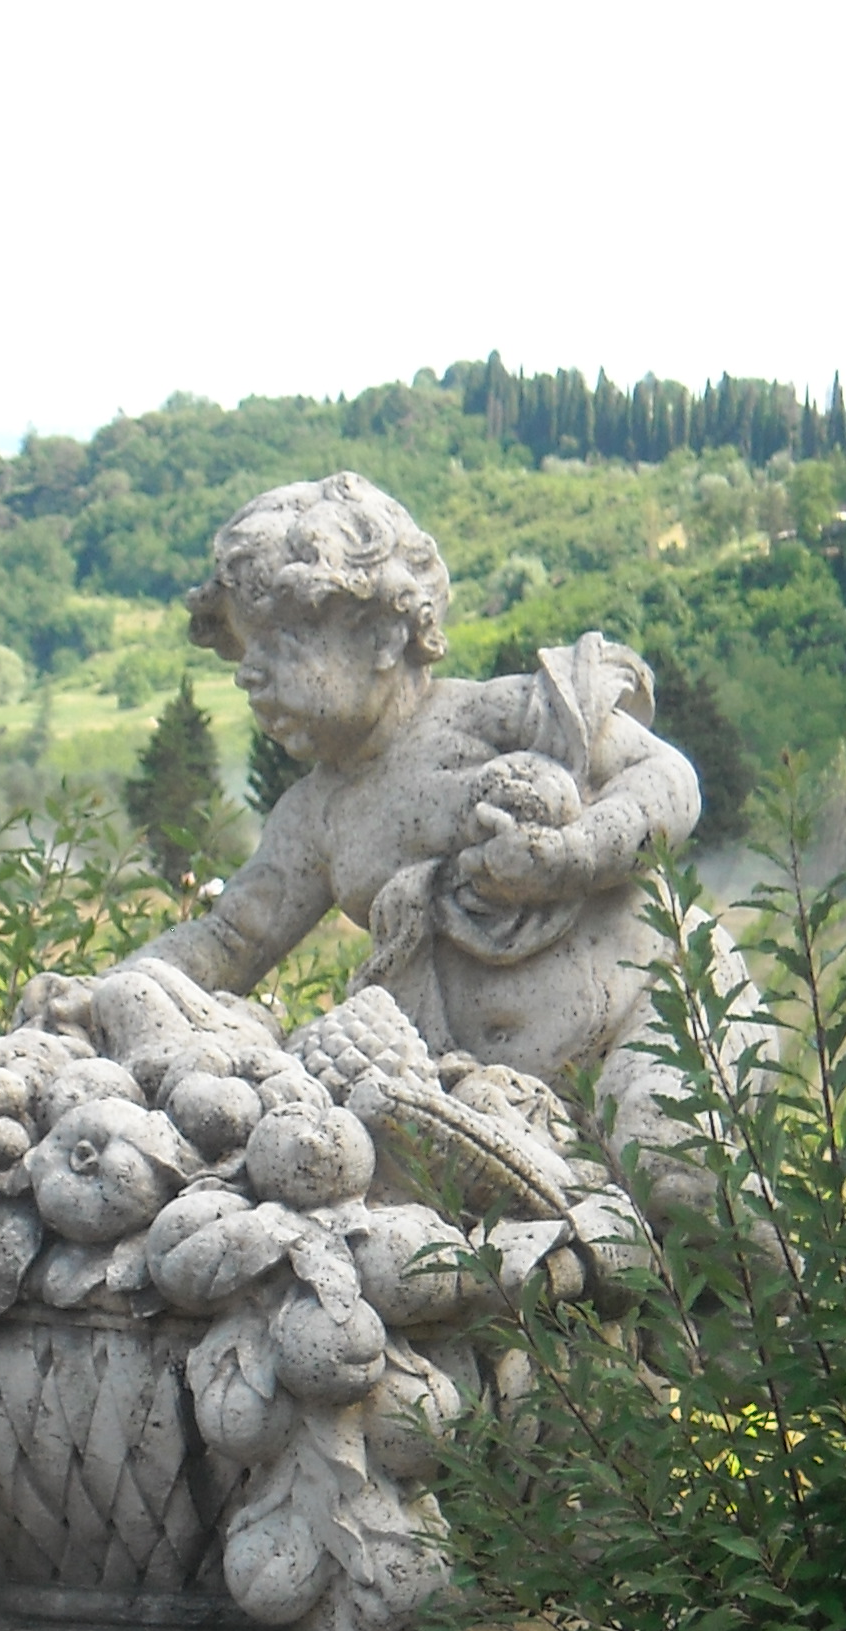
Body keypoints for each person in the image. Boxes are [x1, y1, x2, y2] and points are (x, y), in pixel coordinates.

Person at [135, 473, 765, 1215]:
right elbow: (231, 937)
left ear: (383, 632)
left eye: (281, 642)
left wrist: (576, 855)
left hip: (657, 1009)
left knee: (674, 1179)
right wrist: (120, 993)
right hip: (509, 1101)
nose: (250, 673)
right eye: (245, 650)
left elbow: (668, 779)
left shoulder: (494, 714)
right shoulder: (315, 816)